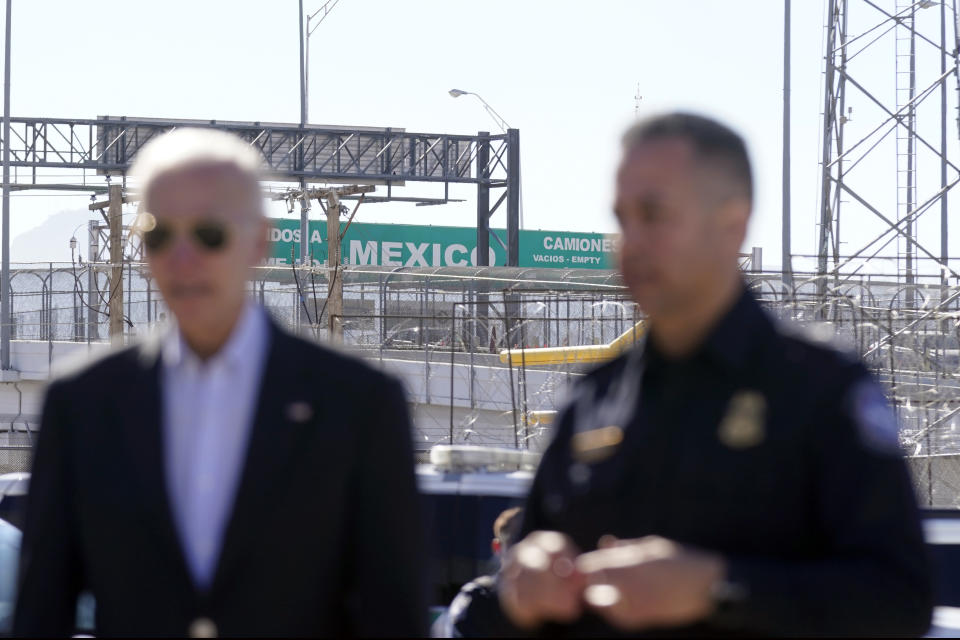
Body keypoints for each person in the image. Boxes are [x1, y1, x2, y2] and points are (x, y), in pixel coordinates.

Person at [496, 113, 933, 636]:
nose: (629, 240)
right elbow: (533, 551)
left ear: (733, 223)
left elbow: (899, 599)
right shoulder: (595, 396)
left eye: (654, 214)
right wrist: (526, 576)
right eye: (621, 216)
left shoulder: (818, 388)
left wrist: (720, 587)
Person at [13, 128, 426, 637]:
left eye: (208, 234)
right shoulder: (83, 403)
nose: (182, 259)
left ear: (260, 240)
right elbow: (42, 610)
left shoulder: (358, 404)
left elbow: (394, 612)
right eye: (160, 235)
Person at [435, 507, 523, 637]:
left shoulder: (558, 604)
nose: (523, 550)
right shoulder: (478, 601)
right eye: (516, 541)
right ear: (497, 547)